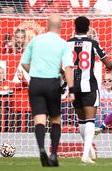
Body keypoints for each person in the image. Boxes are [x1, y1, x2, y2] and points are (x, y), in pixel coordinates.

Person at [20, 14, 75, 167]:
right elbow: (68, 68)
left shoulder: (36, 40)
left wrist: (36, 72)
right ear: (61, 27)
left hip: (36, 82)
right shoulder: (63, 44)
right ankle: (54, 154)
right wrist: (71, 89)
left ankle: (41, 149)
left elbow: (24, 63)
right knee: (56, 119)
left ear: (46, 25)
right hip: (52, 82)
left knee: (39, 119)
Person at [68, 16, 112, 164]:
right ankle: (85, 155)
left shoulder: (67, 44)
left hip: (74, 87)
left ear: (74, 27)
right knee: (90, 120)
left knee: (82, 120)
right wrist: (109, 68)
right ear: (88, 28)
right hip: (89, 86)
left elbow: (62, 65)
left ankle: (89, 151)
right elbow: (107, 62)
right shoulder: (93, 43)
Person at [0, 66, 28, 132]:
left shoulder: (10, 84)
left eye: (1, 73)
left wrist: (22, 79)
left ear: (4, 75)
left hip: (5, 110)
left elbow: (25, 85)